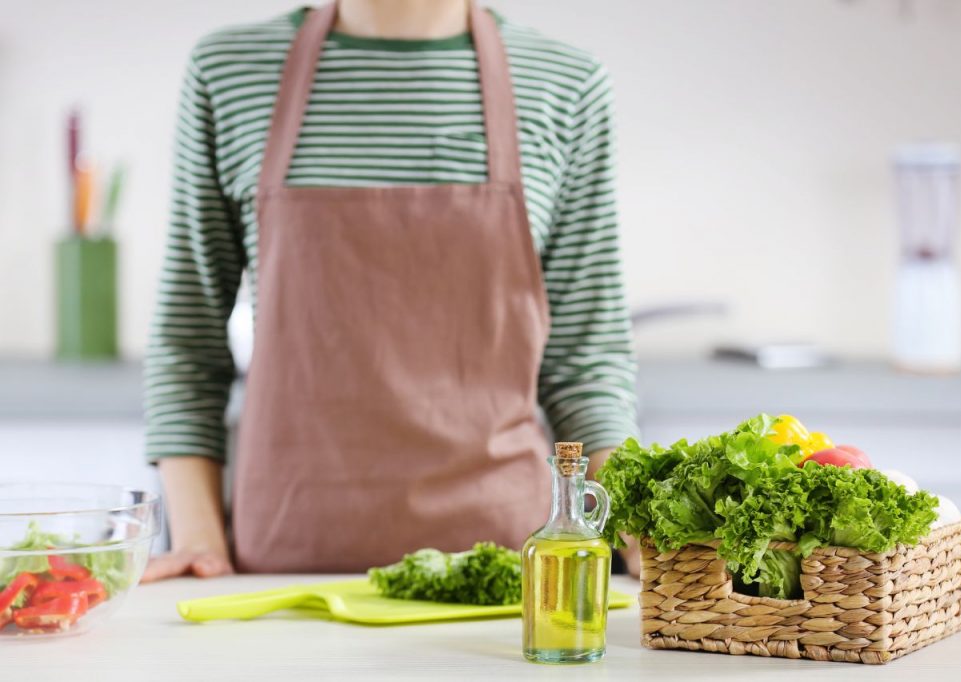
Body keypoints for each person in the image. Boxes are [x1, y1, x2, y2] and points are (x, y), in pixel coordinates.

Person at [142, 0, 639, 581]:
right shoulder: (230, 71)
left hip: (503, 577)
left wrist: (639, 530)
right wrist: (199, 542)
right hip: (284, 570)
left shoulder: (564, 83)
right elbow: (189, 338)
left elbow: (586, 360)